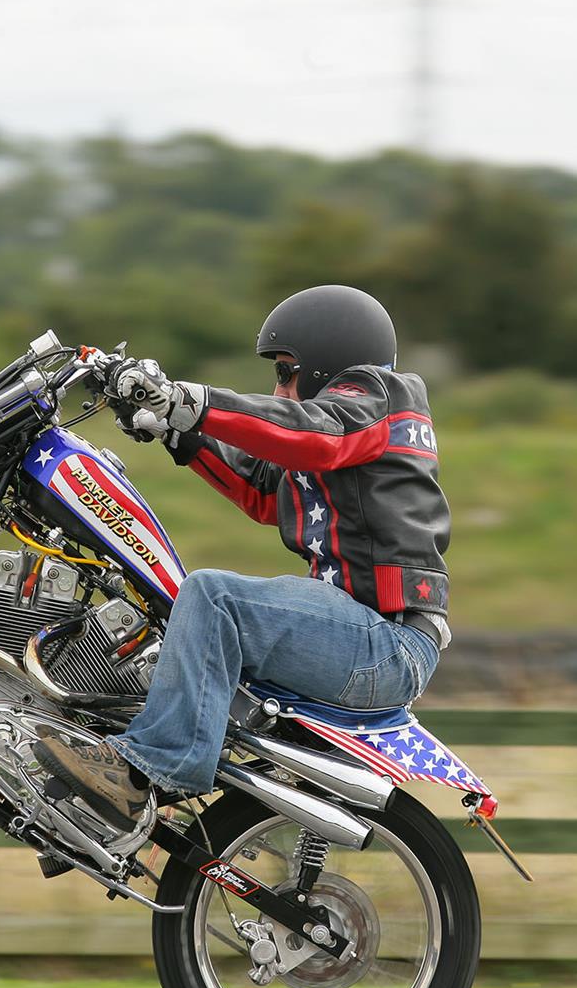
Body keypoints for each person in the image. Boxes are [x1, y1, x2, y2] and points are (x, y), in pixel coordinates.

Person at [33, 284, 452, 828]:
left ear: (327, 364)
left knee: (214, 596)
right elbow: (262, 490)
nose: (277, 386)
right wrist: (177, 430)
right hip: (362, 634)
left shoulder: (383, 402)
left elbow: (314, 437)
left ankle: (146, 773)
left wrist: (193, 401)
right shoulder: (343, 431)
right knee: (177, 605)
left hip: (387, 643)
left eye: (285, 370)